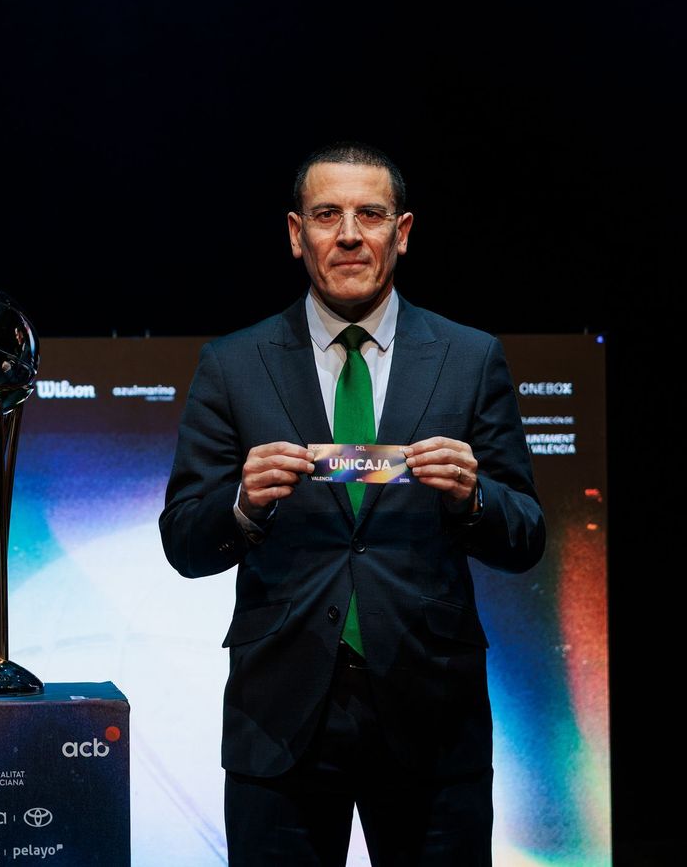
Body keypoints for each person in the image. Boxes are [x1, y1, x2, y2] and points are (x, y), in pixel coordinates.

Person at [159, 142, 544, 865]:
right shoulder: (233, 364)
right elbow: (183, 540)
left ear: (401, 232)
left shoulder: (471, 357)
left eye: (369, 215)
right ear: (295, 234)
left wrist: (473, 497)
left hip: (435, 717)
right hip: (280, 719)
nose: (348, 234)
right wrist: (241, 504)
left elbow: (525, 535)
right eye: (326, 215)